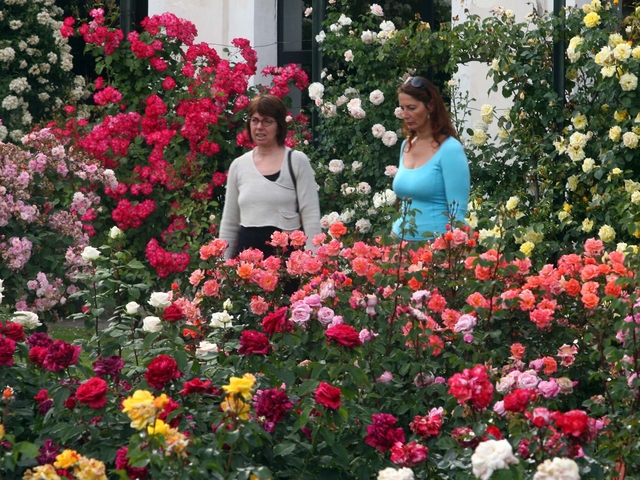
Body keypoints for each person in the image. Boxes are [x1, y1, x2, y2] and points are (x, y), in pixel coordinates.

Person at [219, 94, 321, 260]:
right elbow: (230, 223)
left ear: (279, 126)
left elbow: (310, 216)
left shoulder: (296, 161)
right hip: (248, 265)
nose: (259, 127)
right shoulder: (239, 166)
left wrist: (312, 264)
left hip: (287, 262)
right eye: (254, 120)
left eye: (267, 121)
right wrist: (221, 267)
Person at [391, 76, 470, 240]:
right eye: (402, 108)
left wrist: (453, 255)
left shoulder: (449, 149)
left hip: (434, 248)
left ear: (431, 106)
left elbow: (458, 213)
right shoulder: (406, 145)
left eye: (411, 108)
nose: (405, 115)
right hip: (397, 243)